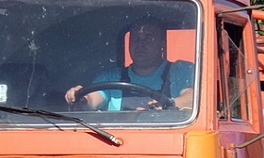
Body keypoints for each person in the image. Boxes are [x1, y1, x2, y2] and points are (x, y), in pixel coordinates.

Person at [64, 18, 194, 111]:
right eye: (135, 39)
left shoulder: (181, 70)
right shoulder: (111, 76)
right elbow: (92, 100)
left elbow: (192, 97)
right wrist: (80, 98)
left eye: (148, 39)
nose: (140, 45)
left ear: (162, 45)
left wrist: (168, 105)